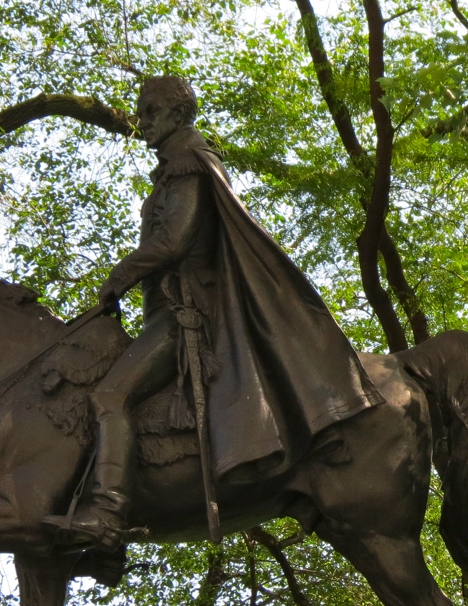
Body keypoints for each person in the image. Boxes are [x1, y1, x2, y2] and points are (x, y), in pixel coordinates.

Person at [56, 76, 383, 548]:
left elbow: (173, 242)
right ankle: (103, 547)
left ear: (178, 115)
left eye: (151, 111)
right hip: (169, 312)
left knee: (110, 396)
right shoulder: (174, 168)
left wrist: (118, 278)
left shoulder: (188, 163)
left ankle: (107, 514)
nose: (142, 121)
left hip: (189, 316)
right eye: (141, 111)